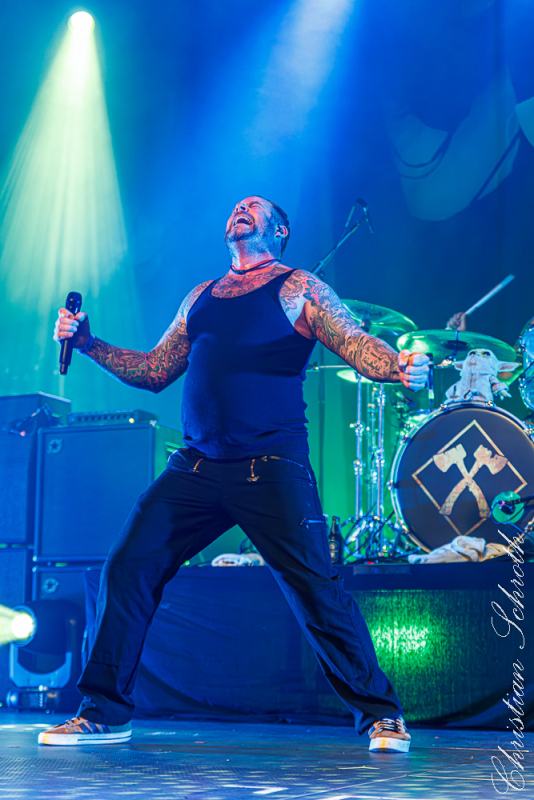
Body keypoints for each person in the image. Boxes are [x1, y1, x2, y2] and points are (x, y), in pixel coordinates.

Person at [40, 196, 429, 752]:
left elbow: (354, 340)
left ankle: (382, 716)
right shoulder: (200, 296)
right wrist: (88, 343)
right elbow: (153, 370)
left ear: (280, 230)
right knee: (128, 566)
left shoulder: (298, 287)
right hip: (197, 467)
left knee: (315, 589)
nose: (240, 209)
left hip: (271, 466)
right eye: (236, 207)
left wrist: (398, 366)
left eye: (254, 207)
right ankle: (103, 712)